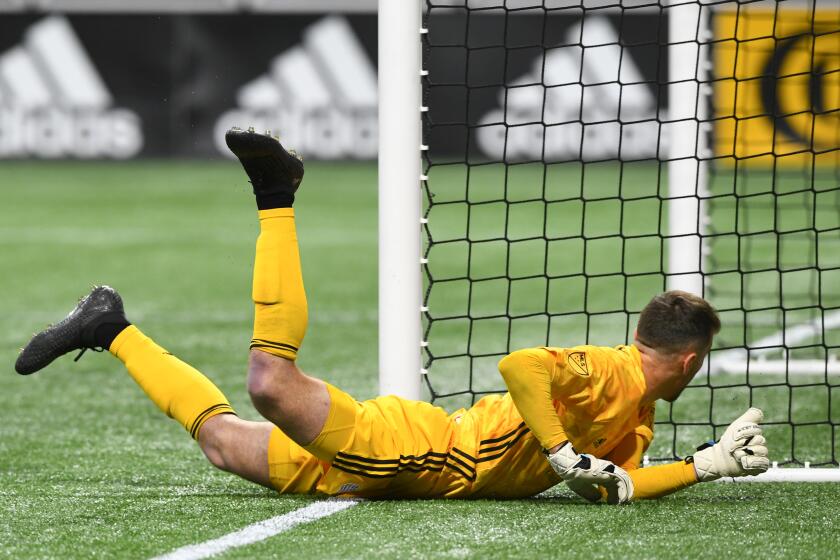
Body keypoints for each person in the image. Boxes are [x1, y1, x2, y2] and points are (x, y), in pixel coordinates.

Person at [15, 128, 770, 504]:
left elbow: (621, 486)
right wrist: (561, 452)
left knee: (220, 443)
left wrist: (705, 466)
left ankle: (108, 325)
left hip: (399, 467)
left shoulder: (635, 423)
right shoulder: (608, 370)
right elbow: (522, 366)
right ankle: (276, 196)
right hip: (423, 453)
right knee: (271, 383)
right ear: (690, 360)